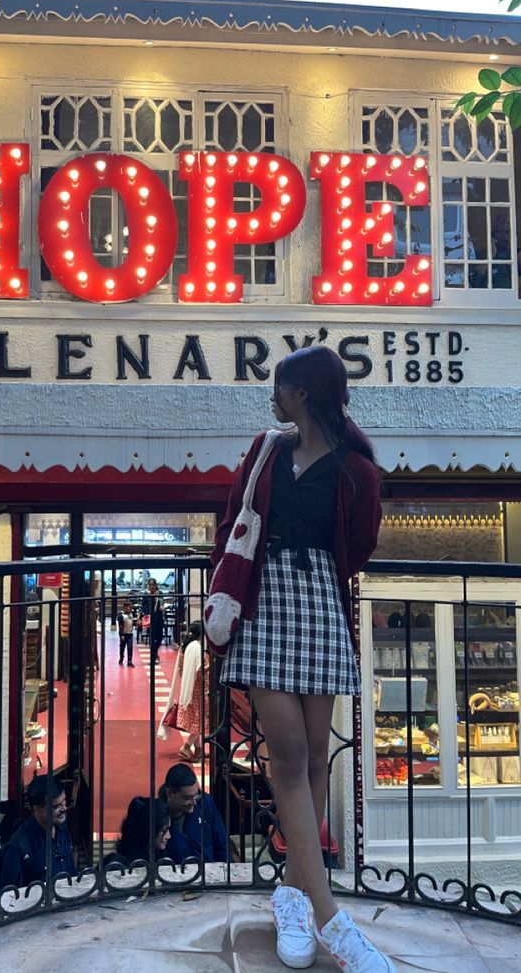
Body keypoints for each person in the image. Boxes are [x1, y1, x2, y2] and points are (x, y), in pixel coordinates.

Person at [213, 346, 389, 971]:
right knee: (288, 757)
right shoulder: (267, 451)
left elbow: (359, 546)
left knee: (318, 759)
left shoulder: (357, 472)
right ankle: (332, 920)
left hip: (318, 603)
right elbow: (230, 522)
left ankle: (291, 895)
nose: (272, 395)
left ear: (304, 393)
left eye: (280, 386)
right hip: (264, 605)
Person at [0, 774, 76, 888]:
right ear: (36, 810)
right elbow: (8, 897)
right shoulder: (18, 847)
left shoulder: (62, 826)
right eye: (56, 806)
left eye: (64, 802)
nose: (64, 809)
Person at [158, 621, 209, 761]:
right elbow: (199, 670)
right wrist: (210, 665)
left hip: (188, 688)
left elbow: (183, 669)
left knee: (195, 721)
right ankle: (186, 747)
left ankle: (198, 750)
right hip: (197, 691)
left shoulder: (185, 647)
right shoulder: (197, 647)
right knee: (200, 721)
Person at [159, 763, 228, 864]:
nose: (194, 802)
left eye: (196, 795)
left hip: (208, 873)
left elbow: (222, 845)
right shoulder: (156, 815)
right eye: (187, 798)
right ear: (170, 794)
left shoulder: (205, 803)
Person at [107, 796, 171, 866]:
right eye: (164, 830)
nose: (169, 836)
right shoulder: (116, 865)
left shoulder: (163, 860)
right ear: (148, 831)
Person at [142, 578, 165, 664]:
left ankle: (154, 653)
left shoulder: (160, 594)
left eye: (153, 585)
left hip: (158, 617)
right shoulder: (146, 595)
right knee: (152, 638)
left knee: (159, 637)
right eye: (150, 585)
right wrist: (145, 614)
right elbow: (143, 606)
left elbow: (162, 604)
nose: (151, 586)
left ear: (156, 585)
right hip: (150, 618)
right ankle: (152, 658)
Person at [116, 600, 135, 667]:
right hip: (123, 634)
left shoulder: (132, 614)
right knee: (122, 647)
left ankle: (129, 661)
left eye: (130, 608)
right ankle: (121, 658)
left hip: (130, 634)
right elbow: (120, 626)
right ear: (124, 608)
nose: (129, 609)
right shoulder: (121, 616)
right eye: (127, 608)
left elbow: (134, 622)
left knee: (130, 647)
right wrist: (122, 635)